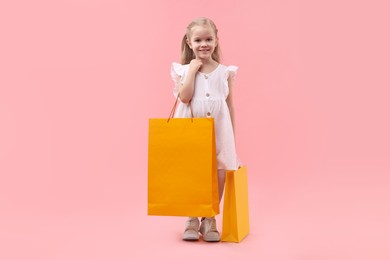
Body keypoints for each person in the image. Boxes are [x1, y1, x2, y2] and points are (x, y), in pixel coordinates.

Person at [171, 17, 240, 242]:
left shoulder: (225, 72)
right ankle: (192, 216)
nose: (204, 44)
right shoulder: (183, 71)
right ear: (189, 43)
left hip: (220, 128)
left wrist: (233, 138)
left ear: (216, 41)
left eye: (209, 39)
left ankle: (209, 217)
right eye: (198, 40)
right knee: (193, 171)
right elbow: (184, 96)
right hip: (192, 129)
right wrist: (192, 70)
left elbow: (229, 106)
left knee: (220, 171)